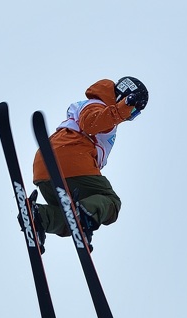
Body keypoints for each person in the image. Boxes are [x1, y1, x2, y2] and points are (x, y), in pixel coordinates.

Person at [30, 77, 148, 252]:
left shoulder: (98, 109)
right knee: (111, 202)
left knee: (69, 220)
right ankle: (85, 214)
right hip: (70, 160)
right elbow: (91, 123)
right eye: (133, 111)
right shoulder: (99, 105)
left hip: (44, 169)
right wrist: (124, 107)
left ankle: (41, 217)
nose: (129, 116)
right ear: (123, 97)